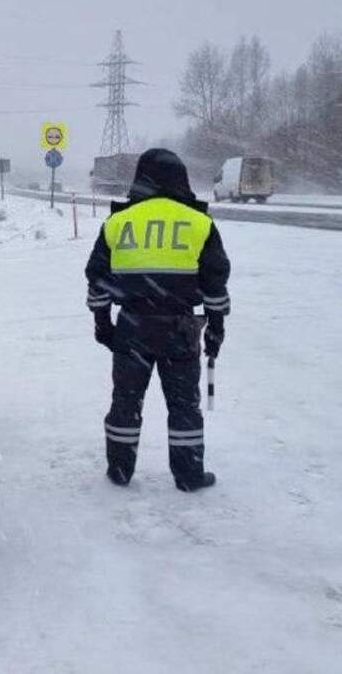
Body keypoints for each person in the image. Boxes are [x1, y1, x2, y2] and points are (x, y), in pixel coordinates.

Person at [85, 148, 230, 491]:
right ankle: (188, 474)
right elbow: (215, 282)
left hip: (132, 327)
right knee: (184, 406)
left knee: (125, 402)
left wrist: (103, 323)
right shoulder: (199, 223)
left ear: (140, 179)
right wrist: (216, 328)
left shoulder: (119, 222)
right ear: (181, 178)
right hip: (180, 329)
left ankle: (120, 470)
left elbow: (98, 278)